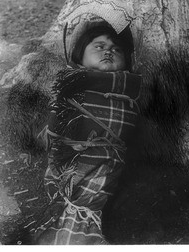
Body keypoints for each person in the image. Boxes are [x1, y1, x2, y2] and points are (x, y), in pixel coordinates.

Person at [32, 21, 141, 245]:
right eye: (99, 46)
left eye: (116, 49)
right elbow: (53, 137)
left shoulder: (130, 94)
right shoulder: (70, 89)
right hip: (71, 179)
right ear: (79, 57)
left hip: (106, 178)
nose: (108, 51)